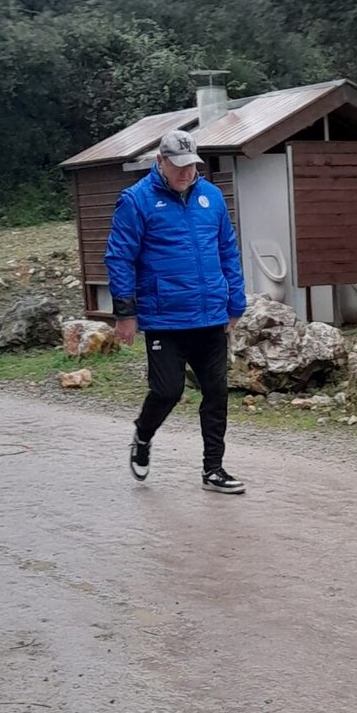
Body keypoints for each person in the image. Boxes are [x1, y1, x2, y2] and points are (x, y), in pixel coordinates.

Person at [105, 127, 248, 494]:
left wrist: (235, 301)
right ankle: (143, 435)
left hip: (210, 315)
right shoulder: (136, 201)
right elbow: (119, 258)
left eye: (192, 164)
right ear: (160, 161)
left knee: (216, 393)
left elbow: (228, 251)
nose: (186, 172)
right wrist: (125, 314)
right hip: (165, 319)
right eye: (179, 165)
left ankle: (213, 469)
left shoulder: (211, 197)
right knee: (167, 391)